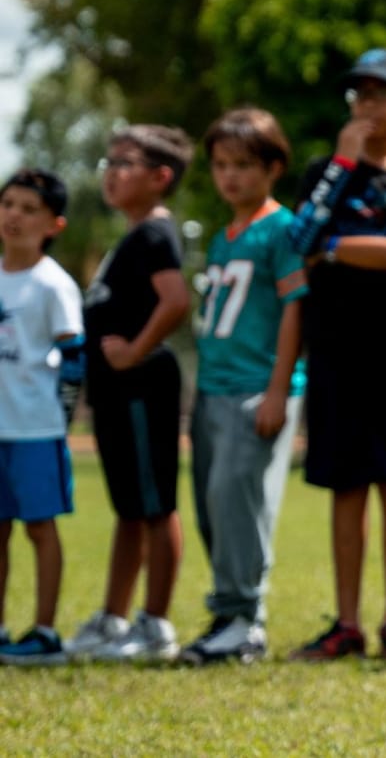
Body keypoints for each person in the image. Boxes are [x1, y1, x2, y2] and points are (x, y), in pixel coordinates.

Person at [287, 48, 386, 663]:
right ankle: (347, 624)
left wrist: (332, 247)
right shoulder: (326, 172)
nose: (366, 105)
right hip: (334, 351)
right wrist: (342, 166)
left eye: (381, 93)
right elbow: (297, 243)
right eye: (358, 94)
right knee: (345, 486)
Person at [179, 109, 309, 665]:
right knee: (212, 503)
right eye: (221, 165)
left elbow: (294, 307)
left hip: (257, 386)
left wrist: (279, 389)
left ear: (273, 167)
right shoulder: (222, 237)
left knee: (239, 497)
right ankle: (226, 612)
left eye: (244, 165)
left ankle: (244, 619)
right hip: (213, 385)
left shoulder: (283, 230)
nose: (230, 176)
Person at [71, 125, 194, 663]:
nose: (111, 174)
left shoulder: (155, 233)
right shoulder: (132, 234)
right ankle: (114, 617)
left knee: (154, 505)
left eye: (124, 163)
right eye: (109, 163)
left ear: (159, 177)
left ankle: (156, 624)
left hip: (143, 386)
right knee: (128, 508)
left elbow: (175, 300)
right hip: (117, 391)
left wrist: (136, 349)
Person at [0, 169, 86, 665]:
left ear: (54, 224)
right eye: (8, 204)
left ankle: (46, 631)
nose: (14, 215)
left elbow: (73, 358)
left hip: (35, 430)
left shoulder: (53, 286)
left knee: (39, 527)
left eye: (28, 209)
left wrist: (63, 419)